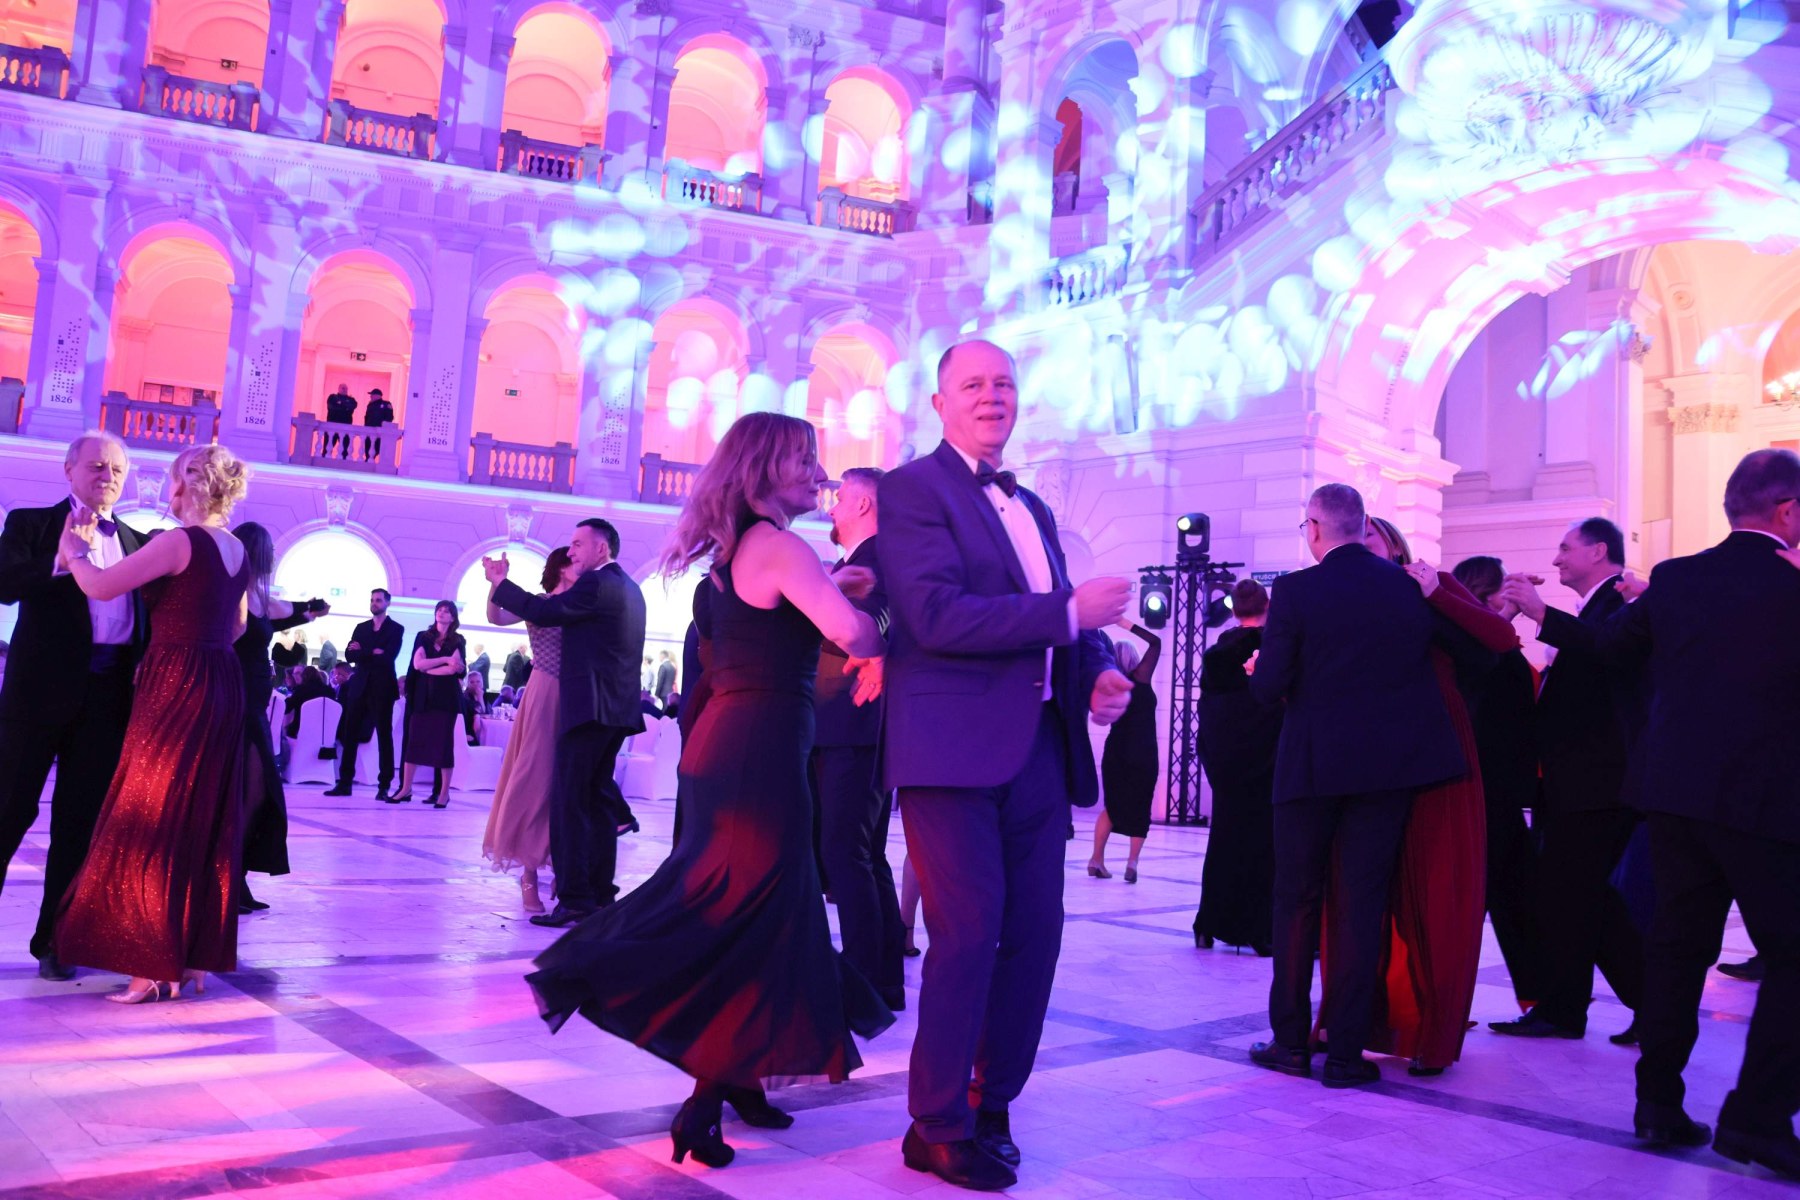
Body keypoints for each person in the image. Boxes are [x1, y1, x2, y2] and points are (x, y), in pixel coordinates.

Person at [525, 412, 892, 1169]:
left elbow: (778, 626)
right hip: (759, 749)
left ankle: (744, 1078)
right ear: (765, 469)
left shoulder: (739, 552)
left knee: (773, 908)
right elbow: (853, 636)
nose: (818, 473)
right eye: (803, 459)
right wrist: (871, 614)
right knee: (747, 913)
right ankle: (702, 1100)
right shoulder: (781, 547)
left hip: (735, 742)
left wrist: (831, 586)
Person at [880, 340, 1129, 1191]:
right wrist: (1068, 613)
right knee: (966, 934)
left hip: (1038, 752)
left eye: (1005, 384)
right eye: (974, 384)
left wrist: (1095, 669)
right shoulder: (913, 489)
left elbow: (1065, 624)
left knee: (1034, 936)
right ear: (940, 402)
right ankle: (935, 1123)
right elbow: (936, 615)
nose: (993, 396)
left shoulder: (1035, 508)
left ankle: (993, 1102)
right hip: (949, 751)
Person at [1534, 450, 1800, 1173]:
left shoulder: (1677, 578)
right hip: (1764, 800)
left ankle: (1657, 1105)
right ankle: (1757, 1118)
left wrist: (1546, 617)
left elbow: (1607, 648)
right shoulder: (1791, 582)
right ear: (1787, 511)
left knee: (1677, 951)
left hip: (1674, 794)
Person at [1246, 484, 1465, 1089]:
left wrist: (1262, 672)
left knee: (1296, 902)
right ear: (1362, 524)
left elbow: (1269, 688)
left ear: (1315, 528)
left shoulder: (1296, 590)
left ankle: (1291, 1044)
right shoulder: (1407, 588)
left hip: (1311, 768)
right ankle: (1345, 1055)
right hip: (1386, 772)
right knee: (1361, 906)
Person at [54, 443, 252, 1003]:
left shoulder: (178, 542)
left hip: (178, 682)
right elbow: (237, 626)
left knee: (152, 816)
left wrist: (76, 553)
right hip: (221, 681)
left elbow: (100, 585)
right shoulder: (237, 548)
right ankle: (189, 959)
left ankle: (148, 965)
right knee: (201, 818)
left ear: (186, 484)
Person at [1360, 516, 1514, 1076]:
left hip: (1438, 745)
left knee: (1437, 890)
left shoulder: (1432, 582)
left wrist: (1434, 594)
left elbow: (1499, 640)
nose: (1359, 546)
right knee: (1366, 896)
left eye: (1368, 536)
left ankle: (1434, 1033)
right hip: (1373, 751)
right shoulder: (1347, 597)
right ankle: (1365, 1024)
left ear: (1394, 545)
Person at [1494, 518, 1646, 1045]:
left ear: (1598, 551)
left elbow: (1607, 649)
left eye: (1565, 548)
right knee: (1578, 897)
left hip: (1598, 781)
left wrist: (1542, 614)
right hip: (1577, 781)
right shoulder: (1595, 607)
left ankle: (1595, 1007)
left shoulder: (1624, 602)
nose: (1556, 559)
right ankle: (1586, 1007)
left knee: (1574, 895)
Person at [0, 431, 145, 982]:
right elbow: (4, 583)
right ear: (69, 469)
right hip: (36, 696)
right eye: (96, 466)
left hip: (107, 700)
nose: (107, 475)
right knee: (7, 810)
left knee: (80, 826)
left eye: (116, 469)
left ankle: (56, 941)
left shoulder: (138, 541)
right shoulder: (31, 524)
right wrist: (61, 562)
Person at [486, 518, 645, 924]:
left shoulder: (595, 584)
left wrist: (501, 583)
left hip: (587, 709)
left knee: (569, 802)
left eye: (577, 544)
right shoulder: (630, 587)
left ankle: (574, 898)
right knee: (598, 803)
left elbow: (544, 611)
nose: (571, 551)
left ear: (601, 548)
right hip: (616, 711)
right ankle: (600, 893)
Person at [814, 466, 906, 1012]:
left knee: (845, 852)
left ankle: (864, 981)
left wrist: (818, 597)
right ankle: (883, 977)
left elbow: (863, 631)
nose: (832, 506)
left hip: (854, 721)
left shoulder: (877, 563)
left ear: (865, 506)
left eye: (842, 497)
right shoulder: (857, 561)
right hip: (846, 723)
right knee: (863, 853)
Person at [1451, 554, 1545, 1012]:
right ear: (1487, 596)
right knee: (1497, 896)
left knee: (1509, 894)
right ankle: (1536, 996)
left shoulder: (1481, 648)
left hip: (1491, 789)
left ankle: (1538, 996)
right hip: (1485, 789)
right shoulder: (1483, 652)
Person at [232, 522, 326, 913]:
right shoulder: (232, 591)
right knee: (243, 791)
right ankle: (225, 880)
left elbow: (285, 612)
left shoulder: (258, 594)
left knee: (257, 792)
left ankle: (236, 876)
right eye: (268, 551)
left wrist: (311, 609)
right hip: (232, 700)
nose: (272, 557)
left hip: (253, 704)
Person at [482, 546, 576, 914]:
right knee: (533, 779)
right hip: (544, 691)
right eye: (574, 561)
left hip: (576, 696)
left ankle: (561, 867)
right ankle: (529, 875)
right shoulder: (540, 603)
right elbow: (496, 617)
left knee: (564, 784)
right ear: (561, 568)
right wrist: (495, 583)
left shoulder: (584, 604)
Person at [1194, 578, 1282, 954]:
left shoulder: (1216, 655)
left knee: (1223, 840)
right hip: (1265, 761)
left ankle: (1207, 924)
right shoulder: (1273, 650)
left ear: (1233, 610)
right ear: (1268, 606)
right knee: (1262, 845)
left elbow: (1209, 713)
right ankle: (1258, 931)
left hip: (1226, 764)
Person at [1088, 623, 1162, 883]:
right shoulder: (1140, 678)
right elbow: (1156, 643)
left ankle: (1096, 859)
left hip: (1116, 751)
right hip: (1143, 751)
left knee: (1112, 806)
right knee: (1141, 804)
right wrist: (1125, 623)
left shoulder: (1111, 686)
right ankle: (1132, 863)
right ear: (1134, 657)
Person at [326, 588, 403, 799]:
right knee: (349, 734)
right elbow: (350, 655)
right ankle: (345, 783)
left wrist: (363, 652)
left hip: (382, 688)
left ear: (387, 603)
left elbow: (388, 657)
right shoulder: (361, 628)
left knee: (384, 736)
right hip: (359, 686)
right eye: (372, 600)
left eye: (378, 600)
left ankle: (384, 785)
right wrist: (372, 652)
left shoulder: (396, 629)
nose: (374, 603)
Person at [390, 600, 466, 807]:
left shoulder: (458, 640)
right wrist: (444, 660)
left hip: (446, 699)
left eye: (446, 611)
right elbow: (417, 664)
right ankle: (405, 788)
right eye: (439, 610)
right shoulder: (423, 637)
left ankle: (443, 793)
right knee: (414, 742)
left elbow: (453, 669)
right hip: (422, 697)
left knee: (444, 746)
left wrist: (429, 668)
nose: (442, 613)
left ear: (453, 617)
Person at [325, 383, 357, 458]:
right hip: (332, 426)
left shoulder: (351, 400)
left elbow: (353, 406)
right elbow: (331, 406)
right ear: (339, 388)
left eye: (346, 388)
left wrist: (340, 404)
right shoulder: (332, 397)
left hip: (345, 428)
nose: (344, 390)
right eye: (343, 388)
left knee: (345, 450)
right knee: (327, 448)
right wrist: (345, 408)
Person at [364, 387, 394, 462]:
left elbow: (389, 417)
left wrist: (384, 427)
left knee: (377, 447)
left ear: (378, 395)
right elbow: (367, 417)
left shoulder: (386, 404)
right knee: (368, 447)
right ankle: (368, 460)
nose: (371, 396)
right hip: (369, 430)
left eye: (372, 394)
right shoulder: (370, 405)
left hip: (379, 431)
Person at [460, 670, 487, 745]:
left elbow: (487, 713)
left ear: (482, 682)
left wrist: (480, 697)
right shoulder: (466, 697)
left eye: (478, 681)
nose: (475, 684)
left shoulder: (483, 694)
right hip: (468, 730)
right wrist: (480, 697)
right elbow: (481, 712)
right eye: (472, 682)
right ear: (467, 684)